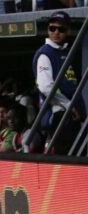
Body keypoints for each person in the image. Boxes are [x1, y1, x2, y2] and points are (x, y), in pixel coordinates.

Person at [33, 11, 84, 154]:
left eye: (61, 29)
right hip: (59, 115)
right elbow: (45, 86)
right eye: (52, 28)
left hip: (72, 115)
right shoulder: (45, 54)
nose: (56, 32)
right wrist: (69, 106)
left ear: (67, 30)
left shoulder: (65, 52)